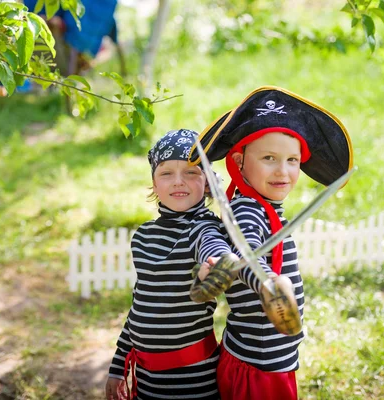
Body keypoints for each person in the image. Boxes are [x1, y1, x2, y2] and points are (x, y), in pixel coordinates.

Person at [189, 86, 354, 400]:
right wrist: (269, 285)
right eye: (269, 158)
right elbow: (245, 250)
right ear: (238, 162)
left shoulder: (262, 206)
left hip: (264, 357)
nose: (283, 171)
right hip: (258, 365)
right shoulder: (248, 209)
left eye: (292, 160)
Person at [105, 129, 234, 400]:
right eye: (166, 173)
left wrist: (216, 263)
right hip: (147, 377)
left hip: (193, 376)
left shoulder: (203, 227)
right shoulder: (143, 236)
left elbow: (211, 245)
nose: (178, 182)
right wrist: (118, 367)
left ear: (208, 182)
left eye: (191, 172)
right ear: (153, 184)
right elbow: (140, 306)